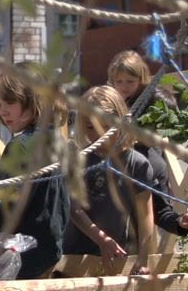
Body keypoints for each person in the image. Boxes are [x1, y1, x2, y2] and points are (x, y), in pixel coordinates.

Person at [0, 62, 70, 279]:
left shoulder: (20, 146)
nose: (3, 111)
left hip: (20, 254)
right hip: (48, 249)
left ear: (33, 99)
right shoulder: (57, 139)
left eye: (10, 102)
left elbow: (2, 204)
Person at [63, 85, 155, 275]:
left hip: (117, 256)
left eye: (106, 126)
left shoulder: (137, 164)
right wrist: (101, 239)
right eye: (90, 127)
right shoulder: (79, 160)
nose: (99, 135)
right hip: (74, 256)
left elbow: (145, 215)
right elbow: (73, 208)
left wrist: (143, 259)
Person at [107, 50, 188, 237]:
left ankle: (178, 224)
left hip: (146, 154)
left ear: (141, 79)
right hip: (120, 156)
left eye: (130, 81)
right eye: (119, 81)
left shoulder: (149, 97)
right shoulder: (114, 100)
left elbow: (167, 106)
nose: (124, 86)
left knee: (155, 197)